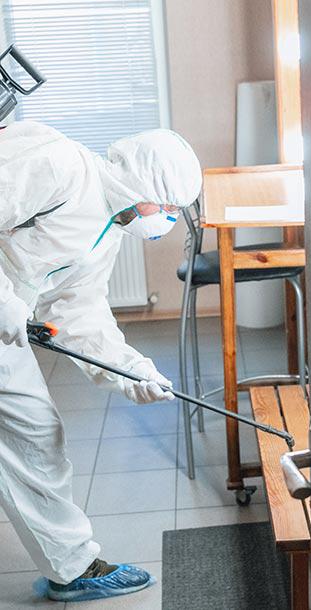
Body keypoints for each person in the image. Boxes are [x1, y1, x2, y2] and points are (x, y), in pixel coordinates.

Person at [0, 120, 202, 602]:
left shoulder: (106, 232)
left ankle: (71, 569)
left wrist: (132, 372)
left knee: (36, 434)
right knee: (33, 433)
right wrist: (5, 302)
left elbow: (79, 314)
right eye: (167, 206)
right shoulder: (59, 165)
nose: (168, 219)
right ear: (143, 183)